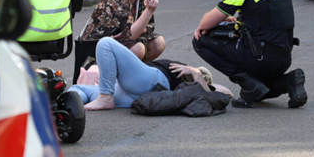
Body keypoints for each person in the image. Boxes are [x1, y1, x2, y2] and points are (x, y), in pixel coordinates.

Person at [191, 0, 307, 108]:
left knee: (200, 39)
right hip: (283, 57)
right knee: (262, 90)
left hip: (260, 58)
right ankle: (289, 81)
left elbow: (205, 24)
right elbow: (264, 19)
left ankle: (248, 84)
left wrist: (221, 16)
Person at [74, 37, 229, 110]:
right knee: (78, 89)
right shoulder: (180, 71)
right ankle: (66, 110)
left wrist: (197, 74)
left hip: (151, 83)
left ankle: (105, 97)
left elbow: (225, 94)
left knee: (105, 43)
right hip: (132, 93)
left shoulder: (195, 79)